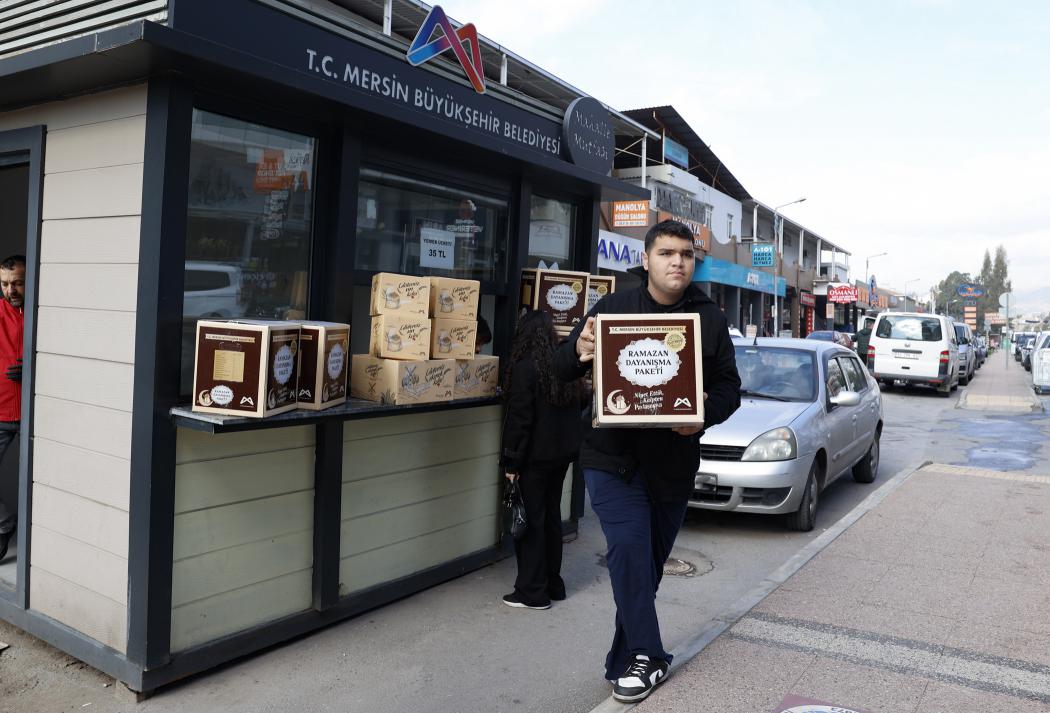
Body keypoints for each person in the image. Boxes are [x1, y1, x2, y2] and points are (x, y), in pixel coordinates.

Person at [553, 220, 741, 703]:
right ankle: (650, 656)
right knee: (627, 551)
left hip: (672, 465)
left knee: (646, 568)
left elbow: (729, 389)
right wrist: (578, 349)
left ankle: (623, 661)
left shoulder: (709, 319)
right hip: (610, 458)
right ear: (646, 259)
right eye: (666, 253)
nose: (678, 261)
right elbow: (560, 366)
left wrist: (702, 416)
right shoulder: (612, 309)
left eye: (686, 254)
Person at [499, 310, 584, 610]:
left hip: (533, 459)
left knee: (531, 522)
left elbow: (520, 420)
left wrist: (511, 463)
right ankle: (553, 584)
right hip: (560, 457)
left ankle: (532, 592)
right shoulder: (561, 365)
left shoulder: (525, 367)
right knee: (550, 519)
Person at [0, 255, 25, 561]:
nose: (10, 290)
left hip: (37, 415)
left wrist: (32, 368)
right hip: (2, 411)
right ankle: (5, 524)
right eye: (5, 284)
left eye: (17, 283)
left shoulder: (44, 312)